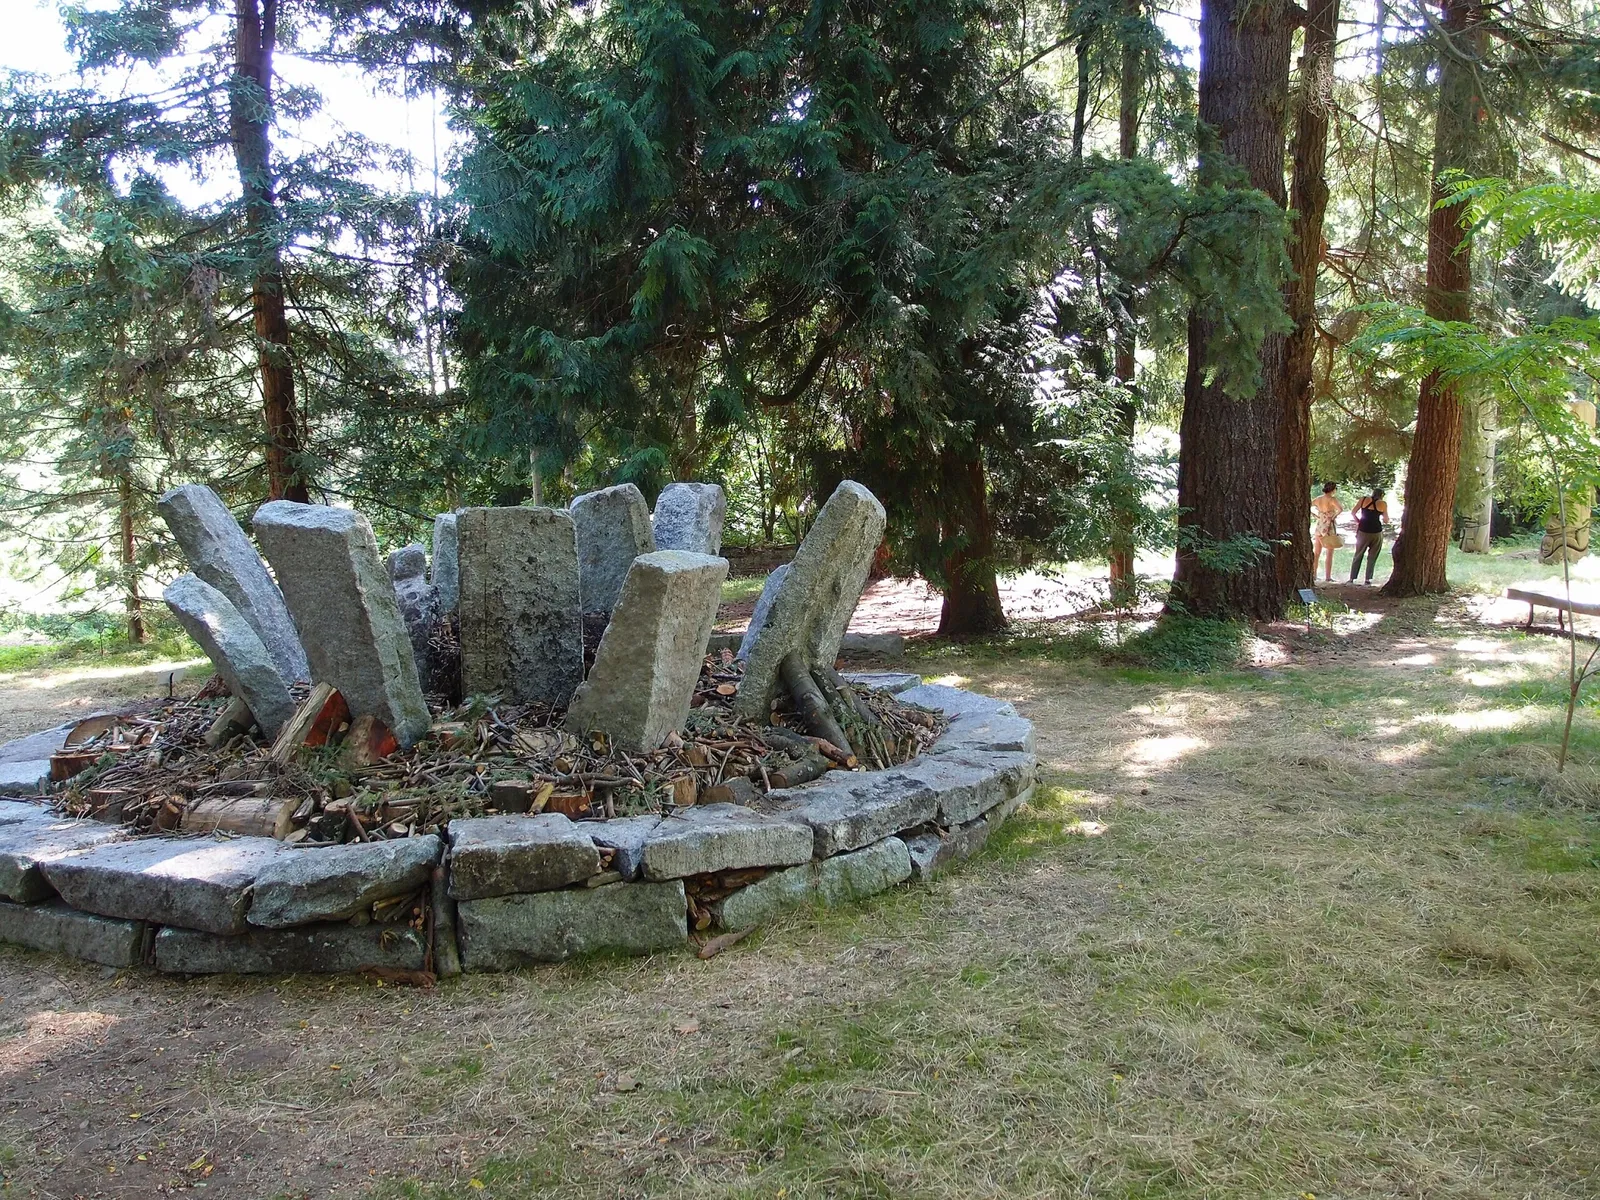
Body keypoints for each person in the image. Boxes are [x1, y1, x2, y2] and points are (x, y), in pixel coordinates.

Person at [1348, 487, 1389, 584]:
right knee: (1372, 556)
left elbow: (1353, 512)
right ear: (1382, 495)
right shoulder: (1383, 504)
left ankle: (1352, 578)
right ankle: (1367, 579)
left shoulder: (1363, 500)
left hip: (1363, 531)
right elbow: (1386, 519)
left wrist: (1359, 522)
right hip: (1376, 532)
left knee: (1358, 554)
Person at [1310, 482, 1344, 583]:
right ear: (1333, 489)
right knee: (1330, 552)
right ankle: (1328, 576)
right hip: (1329, 525)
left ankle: (1314, 574)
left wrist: (1316, 516)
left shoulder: (1318, 499)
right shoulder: (1332, 500)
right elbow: (1340, 509)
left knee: (1317, 551)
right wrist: (1333, 516)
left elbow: (1307, 505)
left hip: (1320, 524)